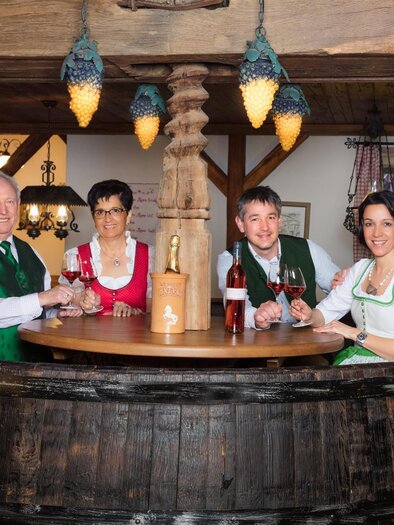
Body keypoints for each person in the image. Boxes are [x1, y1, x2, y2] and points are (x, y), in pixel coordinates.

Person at [217, 186, 344, 329]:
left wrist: (339, 285)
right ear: (240, 224)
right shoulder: (230, 259)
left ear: (279, 221)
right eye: (255, 219)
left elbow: (342, 292)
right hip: (257, 346)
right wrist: (256, 316)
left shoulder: (308, 248)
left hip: (308, 343)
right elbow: (236, 306)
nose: (264, 227)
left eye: (270, 217)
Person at [290, 190, 394, 365]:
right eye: (369, 224)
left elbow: (350, 332)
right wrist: (309, 316)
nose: (376, 233)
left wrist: (354, 333)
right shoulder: (359, 269)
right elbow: (325, 313)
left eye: (387, 224)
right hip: (358, 365)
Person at [0, 172, 82, 362]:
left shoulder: (30, 252)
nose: (3, 211)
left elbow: (40, 309)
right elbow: (39, 299)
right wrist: (43, 298)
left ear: (18, 206)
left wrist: (57, 314)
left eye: (9, 202)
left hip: (39, 365)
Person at [64, 179, 154, 316]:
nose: (107, 219)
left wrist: (135, 313)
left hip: (136, 337)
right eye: (100, 212)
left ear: (128, 215)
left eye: (115, 211)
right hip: (88, 337)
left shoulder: (150, 256)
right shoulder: (75, 256)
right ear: (93, 218)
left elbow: (158, 313)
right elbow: (68, 309)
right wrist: (83, 305)